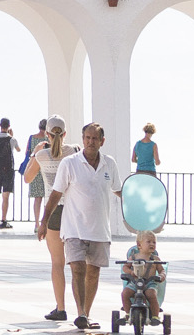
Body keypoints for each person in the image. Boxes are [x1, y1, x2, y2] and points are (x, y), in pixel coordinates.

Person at [50, 122, 124, 332]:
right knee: (78, 269)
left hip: (100, 229)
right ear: (83, 139)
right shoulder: (70, 163)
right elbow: (56, 194)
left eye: (95, 138)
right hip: (74, 228)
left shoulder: (109, 163)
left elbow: (119, 190)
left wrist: (139, 204)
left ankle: (87, 314)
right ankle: (81, 313)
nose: (91, 142)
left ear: (102, 141)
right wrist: (44, 222)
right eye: (87, 138)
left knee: (93, 273)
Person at [25, 115, 79, 322]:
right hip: (73, 210)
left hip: (53, 211)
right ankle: (81, 310)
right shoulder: (74, 152)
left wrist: (35, 152)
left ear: (47, 134)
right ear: (65, 134)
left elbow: (27, 178)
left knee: (57, 263)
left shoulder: (42, 155)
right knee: (77, 263)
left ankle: (61, 308)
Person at [119, 229, 166, 320]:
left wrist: (161, 276)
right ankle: (128, 313)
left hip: (149, 282)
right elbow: (125, 267)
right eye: (148, 242)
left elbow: (161, 270)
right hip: (135, 282)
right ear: (139, 245)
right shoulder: (133, 257)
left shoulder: (155, 259)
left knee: (151, 294)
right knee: (125, 294)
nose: (152, 244)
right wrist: (130, 272)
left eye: (154, 242)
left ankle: (155, 316)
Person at [0, 118, 20, 229]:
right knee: (5, 197)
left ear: (0, 125)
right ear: (9, 126)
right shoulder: (12, 139)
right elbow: (18, 149)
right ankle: (3, 220)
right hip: (8, 171)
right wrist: (12, 135)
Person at [25, 120, 52, 228]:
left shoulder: (32, 138)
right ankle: (45, 223)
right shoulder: (48, 140)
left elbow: (27, 152)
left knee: (37, 199)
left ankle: (36, 223)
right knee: (47, 198)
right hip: (46, 170)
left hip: (34, 169)